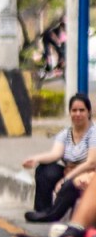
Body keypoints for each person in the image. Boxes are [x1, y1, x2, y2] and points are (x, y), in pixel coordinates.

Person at [23, 93, 96, 222]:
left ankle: (51, 215)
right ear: (70, 113)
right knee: (44, 170)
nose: (77, 114)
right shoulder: (66, 133)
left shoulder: (93, 133)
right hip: (69, 172)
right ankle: (42, 210)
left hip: (87, 174)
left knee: (69, 184)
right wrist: (36, 159)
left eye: (81, 110)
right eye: (74, 110)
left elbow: (91, 163)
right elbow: (55, 154)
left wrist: (66, 179)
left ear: (89, 112)